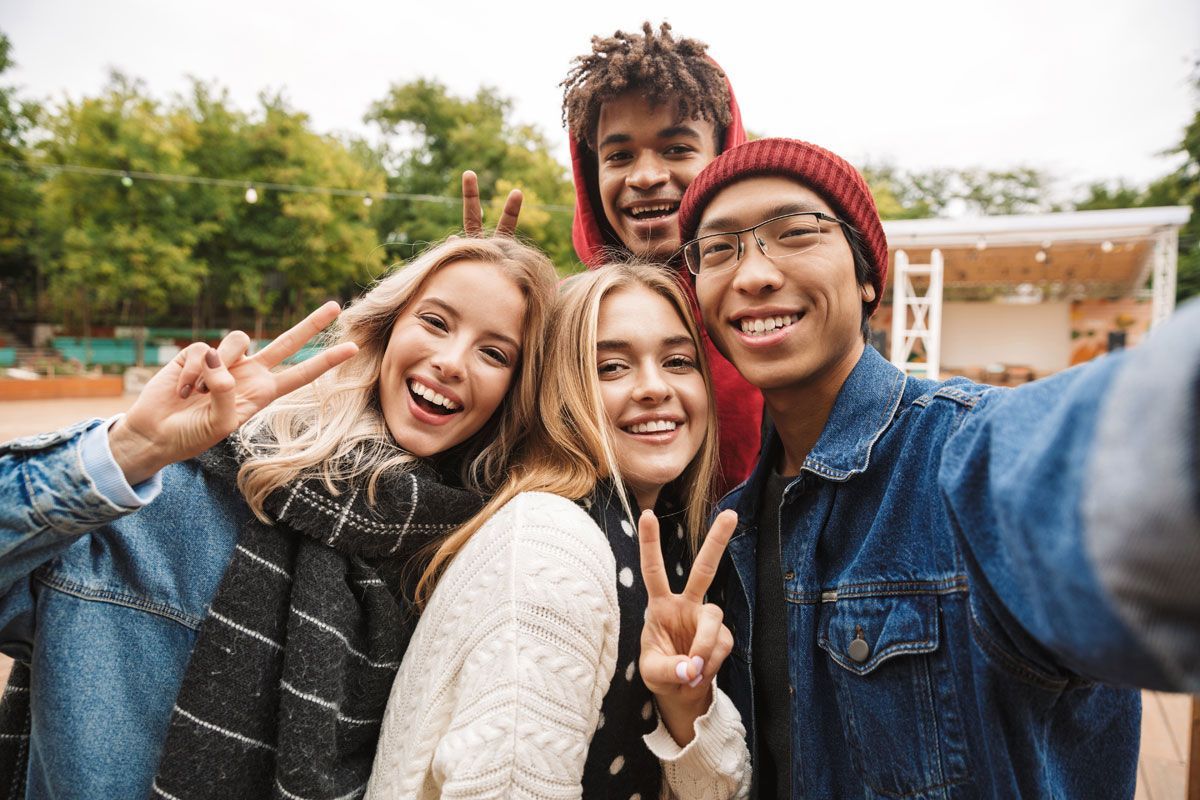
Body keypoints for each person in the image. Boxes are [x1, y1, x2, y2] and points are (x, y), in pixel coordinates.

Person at [668, 136, 1200, 798]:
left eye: (794, 233)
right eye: (719, 249)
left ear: (867, 277)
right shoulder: (732, 523)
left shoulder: (962, 455)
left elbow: (1117, 458)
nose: (753, 274)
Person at [0, 236, 557, 799]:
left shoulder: (474, 562)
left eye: (495, 352)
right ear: (386, 330)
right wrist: (130, 450)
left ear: (516, 392)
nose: (451, 361)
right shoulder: (180, 492)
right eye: (436, 322)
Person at [366, 263, 751, 799]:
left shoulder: (666, 540)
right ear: (558, 391)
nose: (654, 388)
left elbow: (715, 793)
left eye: (678, 361)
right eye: (612, 367)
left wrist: (685, 704)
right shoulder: (550, 547)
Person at [560, 22, 763, 493]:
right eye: (619, 156)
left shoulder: (769, 308)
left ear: (723, 157)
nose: (647, 175)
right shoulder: (560, 322)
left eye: (676, 149)